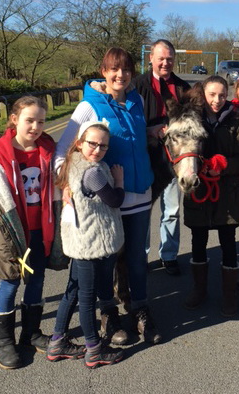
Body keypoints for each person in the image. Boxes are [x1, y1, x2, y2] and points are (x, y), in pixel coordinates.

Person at [55, 47, 161, 345]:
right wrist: (67, 185)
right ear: (103, 71)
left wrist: (154, 131)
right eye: (114, 69)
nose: (120, 75)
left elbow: (134, 137)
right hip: (105, 203)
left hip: (140, 195)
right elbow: (62, 151)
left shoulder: (137, 100)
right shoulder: (90, 106)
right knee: (107, 261)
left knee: (138, 259)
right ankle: (108, 313)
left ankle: (140, 309)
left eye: (126, 70)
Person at [0, 96, 56, 369]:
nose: (35, 126)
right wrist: (10, 238)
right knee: (10, 283)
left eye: (41, 121)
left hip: (39, 230)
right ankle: (3, 340)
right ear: (14, 120)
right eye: (29, 120)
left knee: (36, 281)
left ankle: (30, 333)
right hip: (12, 232)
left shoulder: (47, 148)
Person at [47, 121, 125, 368]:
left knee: (73, 291)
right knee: (88, 298)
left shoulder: (73, 164)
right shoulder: (93, 172)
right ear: (79, 143)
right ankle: (93, 349)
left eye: (103, 146)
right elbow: (114, 200)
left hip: (79, 239)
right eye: (92, 143)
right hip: (90, 243)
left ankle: (57, 341)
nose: (98, 149)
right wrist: (119, 180)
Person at [183, 75, 239, 317]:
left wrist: (222, 165)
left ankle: (229, 295)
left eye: (222, 95)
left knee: (228, 242)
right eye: (212, 95)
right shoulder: (192, 121)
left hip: (226, 193)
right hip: (199, 189)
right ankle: (199, 290)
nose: (217, 100)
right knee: (198, 242)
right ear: (204, 95)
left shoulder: (235, 121)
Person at [134, 39, 191, 276]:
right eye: (161, 58)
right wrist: (151, 130)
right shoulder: (136, 85)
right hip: (144, 155)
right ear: (151, 58)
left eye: (169, 59)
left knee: (172, 209)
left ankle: (168, 255)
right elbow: (130, 120)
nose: (165, 63)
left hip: (173, 159)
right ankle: (140, 255)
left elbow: (190, 120)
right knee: (142, 209)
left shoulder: (182, 87)